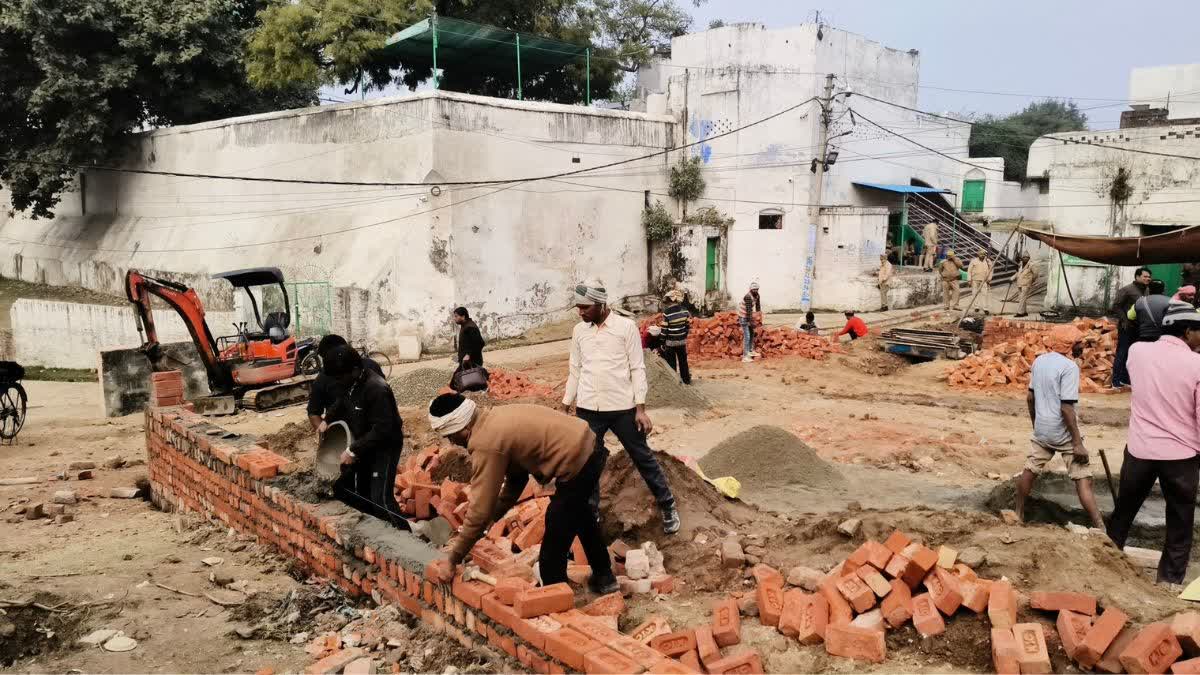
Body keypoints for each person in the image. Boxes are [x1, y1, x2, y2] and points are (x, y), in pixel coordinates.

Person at [423, 394, 619, 594]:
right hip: (589, 445)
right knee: (580, 514)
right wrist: (493, 517)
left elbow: (479, 510)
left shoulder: (485, 443)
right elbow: (516, 481)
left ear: (463, 429)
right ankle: (604, 577)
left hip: (578, 458)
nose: (451, 442)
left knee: (556, 527)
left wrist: (453, 559)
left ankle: (554, 595)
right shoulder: (491, 420)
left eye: (450, 435)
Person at [564, 282, 680, 534]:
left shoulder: (625, 327)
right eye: (578, 307)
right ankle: (592, 514)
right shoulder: (579, 331)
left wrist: (640, 408)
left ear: (600, 304)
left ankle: (668, 504)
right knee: (589, 463)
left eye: (585, 307)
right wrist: (565, 404)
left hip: (622, 408)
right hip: (588, 408)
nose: (580, 312)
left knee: (642, 456)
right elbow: (575, 369)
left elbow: (637, 368)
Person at [1107, 301, 1200, 587]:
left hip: (1140, 450)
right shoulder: (1197, 364)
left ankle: (1105, 564)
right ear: (1187, 332)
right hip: (1181, 455)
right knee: (1180, 519)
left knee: (1124, 511)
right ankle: (1169, 580)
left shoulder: (1137, 352)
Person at [1013, 325, 1104, 529]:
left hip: (1042, 429)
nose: (1081, 346)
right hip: (1062, 433)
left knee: (1030, 469)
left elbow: (1030, 398)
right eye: (1078, 343)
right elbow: (1066, 408)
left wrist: (1036, 425)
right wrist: (1077, 443)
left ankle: (1018, 512)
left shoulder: (1039, 361)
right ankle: (1100, 526)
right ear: (1069, 345)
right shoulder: (1069, 368)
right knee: (1083, 477)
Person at [321, 345, 408, 530]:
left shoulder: (376, 389)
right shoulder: (350, 383)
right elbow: (342, 402)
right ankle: (376, 533)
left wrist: (353, 450)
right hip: (366, 443)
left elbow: (384, 428)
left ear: (354, 370)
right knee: (361, 492)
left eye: (339, 377)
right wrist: (326, 420)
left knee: (380, 499)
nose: (337, 381)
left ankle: (406, 538)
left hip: (385, 446)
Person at [307, 334, 385, 434]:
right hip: (345, 435)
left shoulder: (370, 371)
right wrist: (327, 432)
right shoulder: (323, 379)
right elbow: (314, 412)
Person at [1111, 267, 1151, 388]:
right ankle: (1115, 380)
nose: (1148, 279)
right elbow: (1116, 306)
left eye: (1149, 277)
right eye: (1145, 276)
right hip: (1126, 327)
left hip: (1139, 328)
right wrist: (1124, 320)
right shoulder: (1127, 290)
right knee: (1122, 352)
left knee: (1132, 354)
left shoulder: (1147, 290)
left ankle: (1125, 379)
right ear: (1137, 277)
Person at [660, 290, 692, 385]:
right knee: (683, 362)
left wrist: (662, 341)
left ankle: (674, 383)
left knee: (671, 363)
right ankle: (686, 380)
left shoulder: (667, 313)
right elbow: (687, 326)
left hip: (670, 342)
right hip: (682, 342)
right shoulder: (685, 310)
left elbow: (664, 329)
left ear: (670, 300)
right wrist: (683, 336)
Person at [738, 282, 762, 363]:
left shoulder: (757, 295)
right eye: (754, 289)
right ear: (750, 290)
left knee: (752, 333)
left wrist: (759, 318)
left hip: (749, 315)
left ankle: (750, 351)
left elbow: (758, 307)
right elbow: (748, 312)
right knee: (747, 335)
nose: (755, 291)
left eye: (757, 289)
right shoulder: (748, 297)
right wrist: (751, 322)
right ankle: (745, 357)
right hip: (743, 316)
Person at [1014, 253, 1038, 317]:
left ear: (1029, 258)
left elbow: (1036, 274)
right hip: (1020, 283)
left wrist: (1031, 280)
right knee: (1021, 298)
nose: (1025, 258)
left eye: (1026, 257)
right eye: (1024, 257)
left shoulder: (1031, 265)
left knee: (1022, 298)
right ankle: (1024, 312)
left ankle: (1020, 312)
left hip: (1026, 284)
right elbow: (1018, 273)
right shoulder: (1021, 264)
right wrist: (1012, 278)